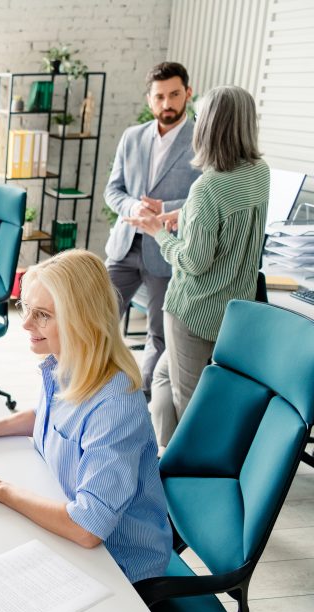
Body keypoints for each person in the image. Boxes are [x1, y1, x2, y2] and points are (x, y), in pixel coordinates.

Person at [0, 250, 172, 583]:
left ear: (82, 319)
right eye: (26, 308)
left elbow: (87, 528)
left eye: (41, 314)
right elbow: (52, 416)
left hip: (117, 565)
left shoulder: (116, 405)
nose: (25, 324)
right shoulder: (68, 361)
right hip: (66, 522)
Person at [126, 85, 269, 446]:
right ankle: (166, 456)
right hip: (233, 310)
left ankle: (184, 474)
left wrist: (159, 231)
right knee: (161, 377)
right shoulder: (259, 173)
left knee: (187, 402)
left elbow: (192, 260)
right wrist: (179, 214)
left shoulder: (208, 187)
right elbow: (223, 221)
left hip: (193, 312)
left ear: (210, 126)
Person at [104, 62, 202, 397]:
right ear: (150, 100)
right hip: (124, 247)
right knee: (96, 321)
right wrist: (133, 207)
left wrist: (164, 209)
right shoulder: (132, 137)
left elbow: (203, 198)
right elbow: (113, 190)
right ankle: (92, 392)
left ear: (188, 93)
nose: (167, 104)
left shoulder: (202, 142)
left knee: (159, 336)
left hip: (167, 250)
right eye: (159, 97)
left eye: (174, 94)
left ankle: (140, 403)